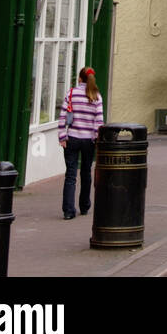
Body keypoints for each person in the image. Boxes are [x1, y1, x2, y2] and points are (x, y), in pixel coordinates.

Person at [58, 66, 104, 220]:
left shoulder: (71, 93)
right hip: (88, 141)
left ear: (79, 78)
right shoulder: (96, 96)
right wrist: (97, 139)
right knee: (86, 173)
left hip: (72, 138)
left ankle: (68, 211)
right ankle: (84, 206)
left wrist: (62, 136)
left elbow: (63, 115)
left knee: (70, 175)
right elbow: (99, 121)